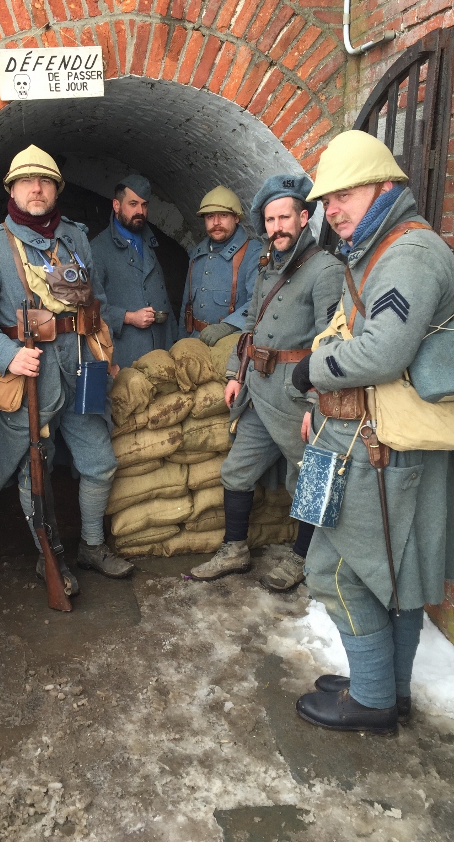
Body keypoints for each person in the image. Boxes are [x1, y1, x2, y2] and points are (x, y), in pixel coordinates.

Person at [290, 130, 454, 734]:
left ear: (385, 187)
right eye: (326, 202)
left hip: (381, 446)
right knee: (396, 574)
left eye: (344, 196)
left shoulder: (407, 254)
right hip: (359, 434)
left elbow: (383, 352)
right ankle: (384, 684)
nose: (332, 211)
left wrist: (310, 370)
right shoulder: (376, 249)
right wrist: (322, 399)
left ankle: (373, 699)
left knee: (337, 568)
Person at [0, 145, 133, 593]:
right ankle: (49, 557)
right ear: (12, 190)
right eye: (26, 181)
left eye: (45, 181)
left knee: (100, 462)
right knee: (34, 469)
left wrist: (104, 351)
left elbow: (96, 301)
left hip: (80, 370)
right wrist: (7, 354)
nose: (36, 189)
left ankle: (92, 546)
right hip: (29, 375)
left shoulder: (74, 238)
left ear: (56, 189)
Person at [190, 175, 345, 588]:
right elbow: (251, 330)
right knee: (236, 472)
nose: (277, 227)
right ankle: (235, 550)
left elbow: (331, 345)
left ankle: (304, 559)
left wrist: (316, 406)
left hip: (297, 399)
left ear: (304, 218)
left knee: (311, 480)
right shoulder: (266, 267)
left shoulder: (326, 270)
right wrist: (234, 374)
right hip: (258, 391)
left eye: (285, 217)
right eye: (271, 219)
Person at [91, 175, 176, 367]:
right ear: (116, 205)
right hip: (126, 353)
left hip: (162, 349)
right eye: (133, 204)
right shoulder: (98, 249)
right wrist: (129, 317)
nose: (140, 211)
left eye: (144, 205)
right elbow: (90, 308)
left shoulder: (151, 241)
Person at [178, 186, 261, 346]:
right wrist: (180, 342)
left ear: (236, 218)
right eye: (210, 216)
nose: (216, 223)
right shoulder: (196, 254)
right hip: (193, 343)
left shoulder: (253, 253)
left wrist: (227, 327)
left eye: (223, 215)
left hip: (230, 346)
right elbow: (186, 305)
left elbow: (258, 301)